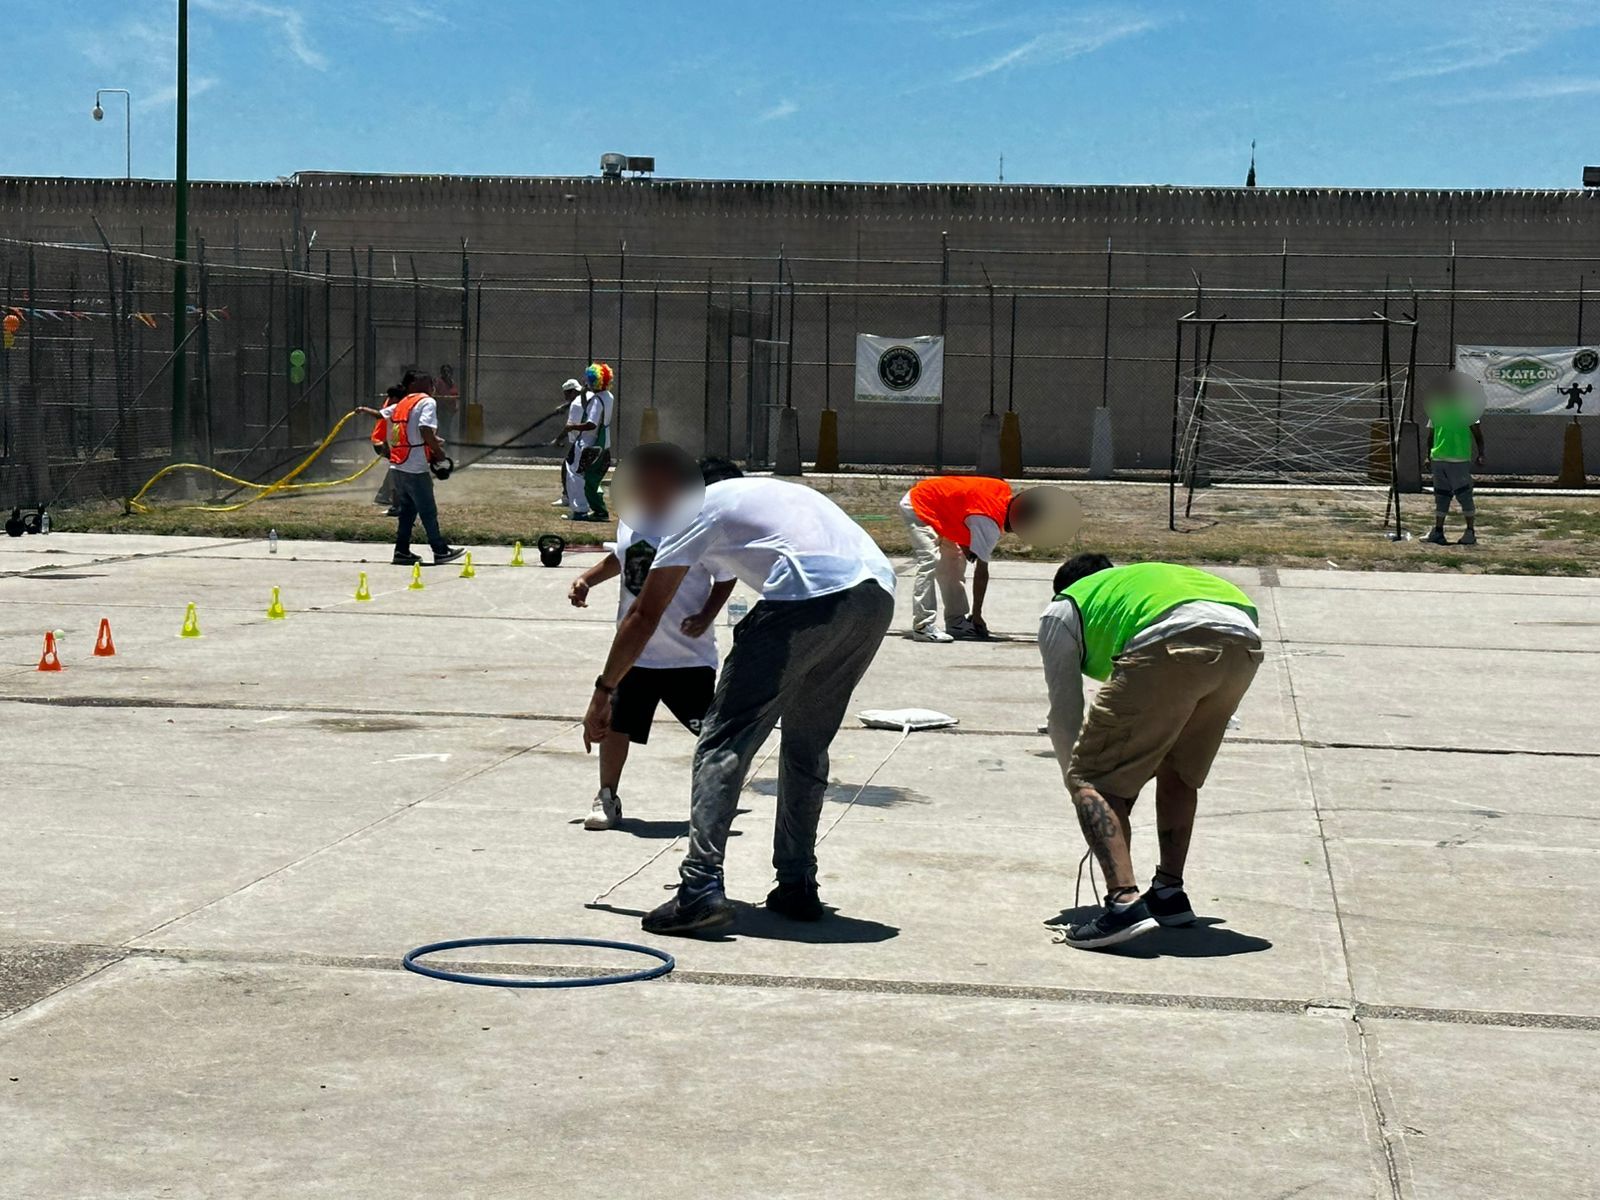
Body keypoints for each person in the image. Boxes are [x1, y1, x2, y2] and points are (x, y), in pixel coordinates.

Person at [582, 447, 896, 936]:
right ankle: (796, 882)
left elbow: (644, 615)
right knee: (806, 744)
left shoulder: (696, 507)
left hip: (806, 598)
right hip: (875, 598)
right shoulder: (772, 493)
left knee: (722, 741)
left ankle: (699, 887)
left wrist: (604, 691)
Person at [1039, 555, 1263, 950]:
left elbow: (1065, 712)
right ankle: (1169, 893)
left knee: (1092, 779)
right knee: (1179, 771)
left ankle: (1124, 904)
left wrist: (1082, 787)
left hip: (1170, 640)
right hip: (1243, 643)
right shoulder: (1137, 587)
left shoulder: (1063, 606)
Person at [568, 457, 743, 831]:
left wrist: (707, 614)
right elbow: (622, 557)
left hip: (688, 657)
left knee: (711, 734)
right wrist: (587, 579)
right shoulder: (632, 520)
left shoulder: (700, 527)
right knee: (616, 726)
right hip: (635, 655)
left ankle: (719, 797)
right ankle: (607, 796)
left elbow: (725, 576)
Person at [898, 476, 1061, 642]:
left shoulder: (1002, 493)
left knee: (954, 563)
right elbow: (981, 574)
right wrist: (977, 615)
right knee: (930, 560)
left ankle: (956, 622)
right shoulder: (989, 522)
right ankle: (923, 626)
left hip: (940, 507)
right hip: (919, 504)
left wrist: (964, 543)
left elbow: (964, 505)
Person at [379, 372, 465, 567]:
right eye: (428, 383)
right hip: (415, 468)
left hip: (398, 466)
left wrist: (431, 446)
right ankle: (440, 550)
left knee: (407, 512)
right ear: (414, 385)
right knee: (428, 510)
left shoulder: (404, 403)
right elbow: (424, 429)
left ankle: (401, 551)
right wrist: (439, 452)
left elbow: (408, 431)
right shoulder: (427, 402)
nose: (431, 386)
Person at [1422, 371, 1487, 547]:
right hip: (1439, 458)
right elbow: (1431, 435)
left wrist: (1481, 453)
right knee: (1441, 496)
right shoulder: (1436, 409)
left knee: (1464, 495)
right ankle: (1438, 531)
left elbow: (1477, 434)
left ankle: (1470, 532)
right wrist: (1428, 456)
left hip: (1458, 458)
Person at [566, 362, 615, 521]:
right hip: (604, 442)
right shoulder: (608, 397)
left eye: (588, 381)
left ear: (595, 382)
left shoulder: (597, 400)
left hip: (589, 443)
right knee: (593, 479)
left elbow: (591, 423)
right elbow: (589, 407)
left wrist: (572, 426)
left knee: (575, 474)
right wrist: (584, 393)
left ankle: (580, 510)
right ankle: (600, 511)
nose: (586, 383)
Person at [556, 378, 584, 508]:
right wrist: (565, 406)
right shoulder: (585, 398)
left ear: (571, 392)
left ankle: (567, 497)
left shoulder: (576, 405)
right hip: (586, 440)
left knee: (567, 468)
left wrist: (558, 439)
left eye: (566, 394)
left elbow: (570, 426)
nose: (565, 397)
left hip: (581, 441)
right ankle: (572, 496)